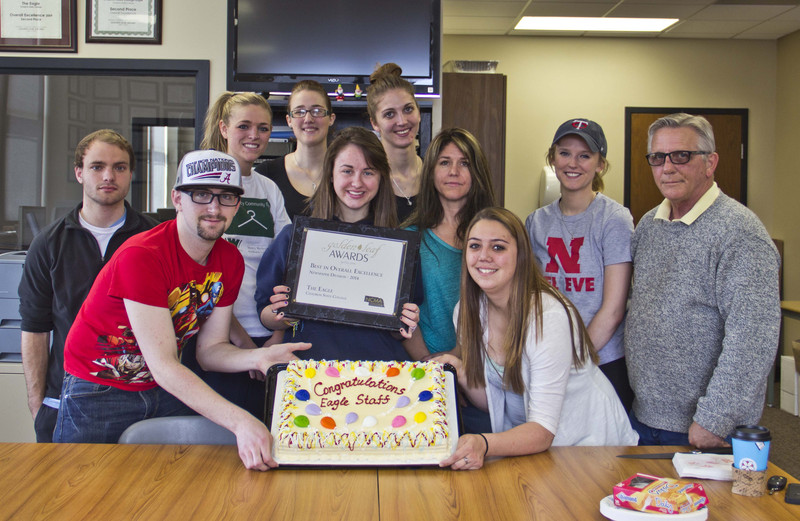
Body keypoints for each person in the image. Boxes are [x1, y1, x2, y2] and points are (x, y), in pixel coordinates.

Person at [53, 149, 310, 471]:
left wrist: (258, 357)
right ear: (177, 198)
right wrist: (240, 421)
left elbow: (211, 350)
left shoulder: (229, 259)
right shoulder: (142, 255)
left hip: (165, 388)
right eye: (201, 195)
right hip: (99, 390)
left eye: (227, 197)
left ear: (238, 206)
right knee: (81, 495)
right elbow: (163, 365)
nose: (214, 208)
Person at [437, 208, 637, 470]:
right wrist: (459, 369)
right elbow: (495, 402)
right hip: (539, 455)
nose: (484, 256)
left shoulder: (546, 316)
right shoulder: (467, 311)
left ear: (520, 256)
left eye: (498, 247)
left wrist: (484, 443)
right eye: (475, 246)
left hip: (593, 450)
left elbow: (542, 430)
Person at [625, 113, 781, 448]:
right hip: (644, 416)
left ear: (710, 163)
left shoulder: (740, 234)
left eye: (681, 155)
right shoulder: (650, 225)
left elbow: (753, 340)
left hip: (702, 429)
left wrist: (715, 419)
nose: (667, 167)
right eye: (657, 158)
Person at [18, 129, 157, 443]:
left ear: (130, 174)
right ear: (79, 173)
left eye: (119, 167)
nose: (108, 175)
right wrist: (38, 405)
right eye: (97, 167)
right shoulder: (48, 245)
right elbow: (35, 329)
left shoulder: (155, 239)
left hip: (144, 399)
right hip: (66, 396)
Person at [256, 126, 423, 361]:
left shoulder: (399, 248)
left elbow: (397, 331)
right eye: (347, 170)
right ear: (331, 174)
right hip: (308, 371)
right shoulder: (294, 237)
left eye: (368, 172)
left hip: (379, 374)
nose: (357, 182)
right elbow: (264, 313)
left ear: (381, 177)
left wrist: (405, 322)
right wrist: (280, 314)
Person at [525, 118, 634, 411]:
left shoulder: (614, 219)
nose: (573, 163)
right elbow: (532, 297)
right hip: (551, 358)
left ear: (600, 165)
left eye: (585, 155)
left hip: (602, 361)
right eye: (565, 153)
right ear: (552, 158)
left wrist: (573, 359)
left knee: (604, 454)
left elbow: (612, 310)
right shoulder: (536, 223)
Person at [197, 92, 291, 417]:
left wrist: (276, 337)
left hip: (267, 334)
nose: (255, 136)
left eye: (263, 128)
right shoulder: (206, 187)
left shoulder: (268, 189)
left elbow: (288, 265)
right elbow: (206, 278)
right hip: (219, 338)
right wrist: (246, 347)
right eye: (244, 126)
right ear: (224, 128)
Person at [403, 128, 496, 359]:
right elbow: (402, 317)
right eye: (444, 163)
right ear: (431, 171)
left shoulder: (498, 237)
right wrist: (431, 366)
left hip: (486, 366)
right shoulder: (410, 239)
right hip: (427, 366)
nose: (454, 172)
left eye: (464, 163)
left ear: (477, 172)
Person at [255, 80, 335, 219]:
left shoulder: (349, 174)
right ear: (289, 120)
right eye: (299, 112)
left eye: (317, 111)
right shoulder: (266, 174)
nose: (308, 118)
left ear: (331, 119)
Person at [367, 63, 423, 223]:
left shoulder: (437, 175)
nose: (402, 121)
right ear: (375, 123)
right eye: (389, 114)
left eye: (408, 109)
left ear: (418, 112)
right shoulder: (366, 182)